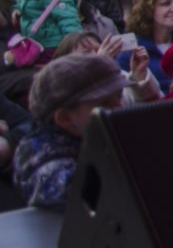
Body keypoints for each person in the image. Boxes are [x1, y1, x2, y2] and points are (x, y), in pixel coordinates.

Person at [14, 52, 159, 209]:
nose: (119, 107)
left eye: (119, 97)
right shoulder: (38, 152)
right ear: (65, 118)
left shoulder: (99, 134)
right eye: (105, 102)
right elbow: (71, 190)